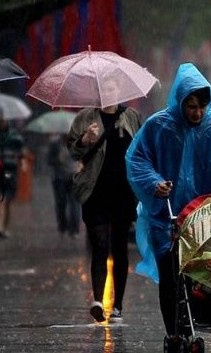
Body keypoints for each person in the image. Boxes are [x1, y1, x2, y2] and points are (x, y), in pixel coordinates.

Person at [125, 62, 211, 338]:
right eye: (191, 106)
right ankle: (176, 332)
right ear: (180, 101)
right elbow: (137, 158)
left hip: (205, 214)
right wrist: (155, 182)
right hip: (167, 216)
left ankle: (195, 320)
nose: (197, 113)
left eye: (201, 106)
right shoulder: (159, 126)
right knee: (171, 276)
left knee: (203, 272)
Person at [66, 77, 142, 323]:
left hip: (123, 192)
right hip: (94, 191)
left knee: (120, 247)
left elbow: (142, 149)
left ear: (118, 90)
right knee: (99, 243)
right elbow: (73, 150)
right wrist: (84, 140)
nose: (107, 93)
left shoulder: (130, 117)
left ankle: (117, 305)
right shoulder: (85, 118)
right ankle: (98, 300)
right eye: (103, 89)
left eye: (111, 88)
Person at [0, 117, 25, 239]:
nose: (2, 122)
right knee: (0, 200)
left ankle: (4, 227)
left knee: (8, 202)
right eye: (1, 120)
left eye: (4, 120)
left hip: (11, 173)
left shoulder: (16, 137)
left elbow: (21, 153)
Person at [47, 133, 80, 238]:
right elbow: (49, 160)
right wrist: (57, 159)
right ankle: (62, 226)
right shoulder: (55, 144)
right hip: (59, 178)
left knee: (75, 205)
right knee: (61, 204)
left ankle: (74, 229)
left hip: (74, 178)